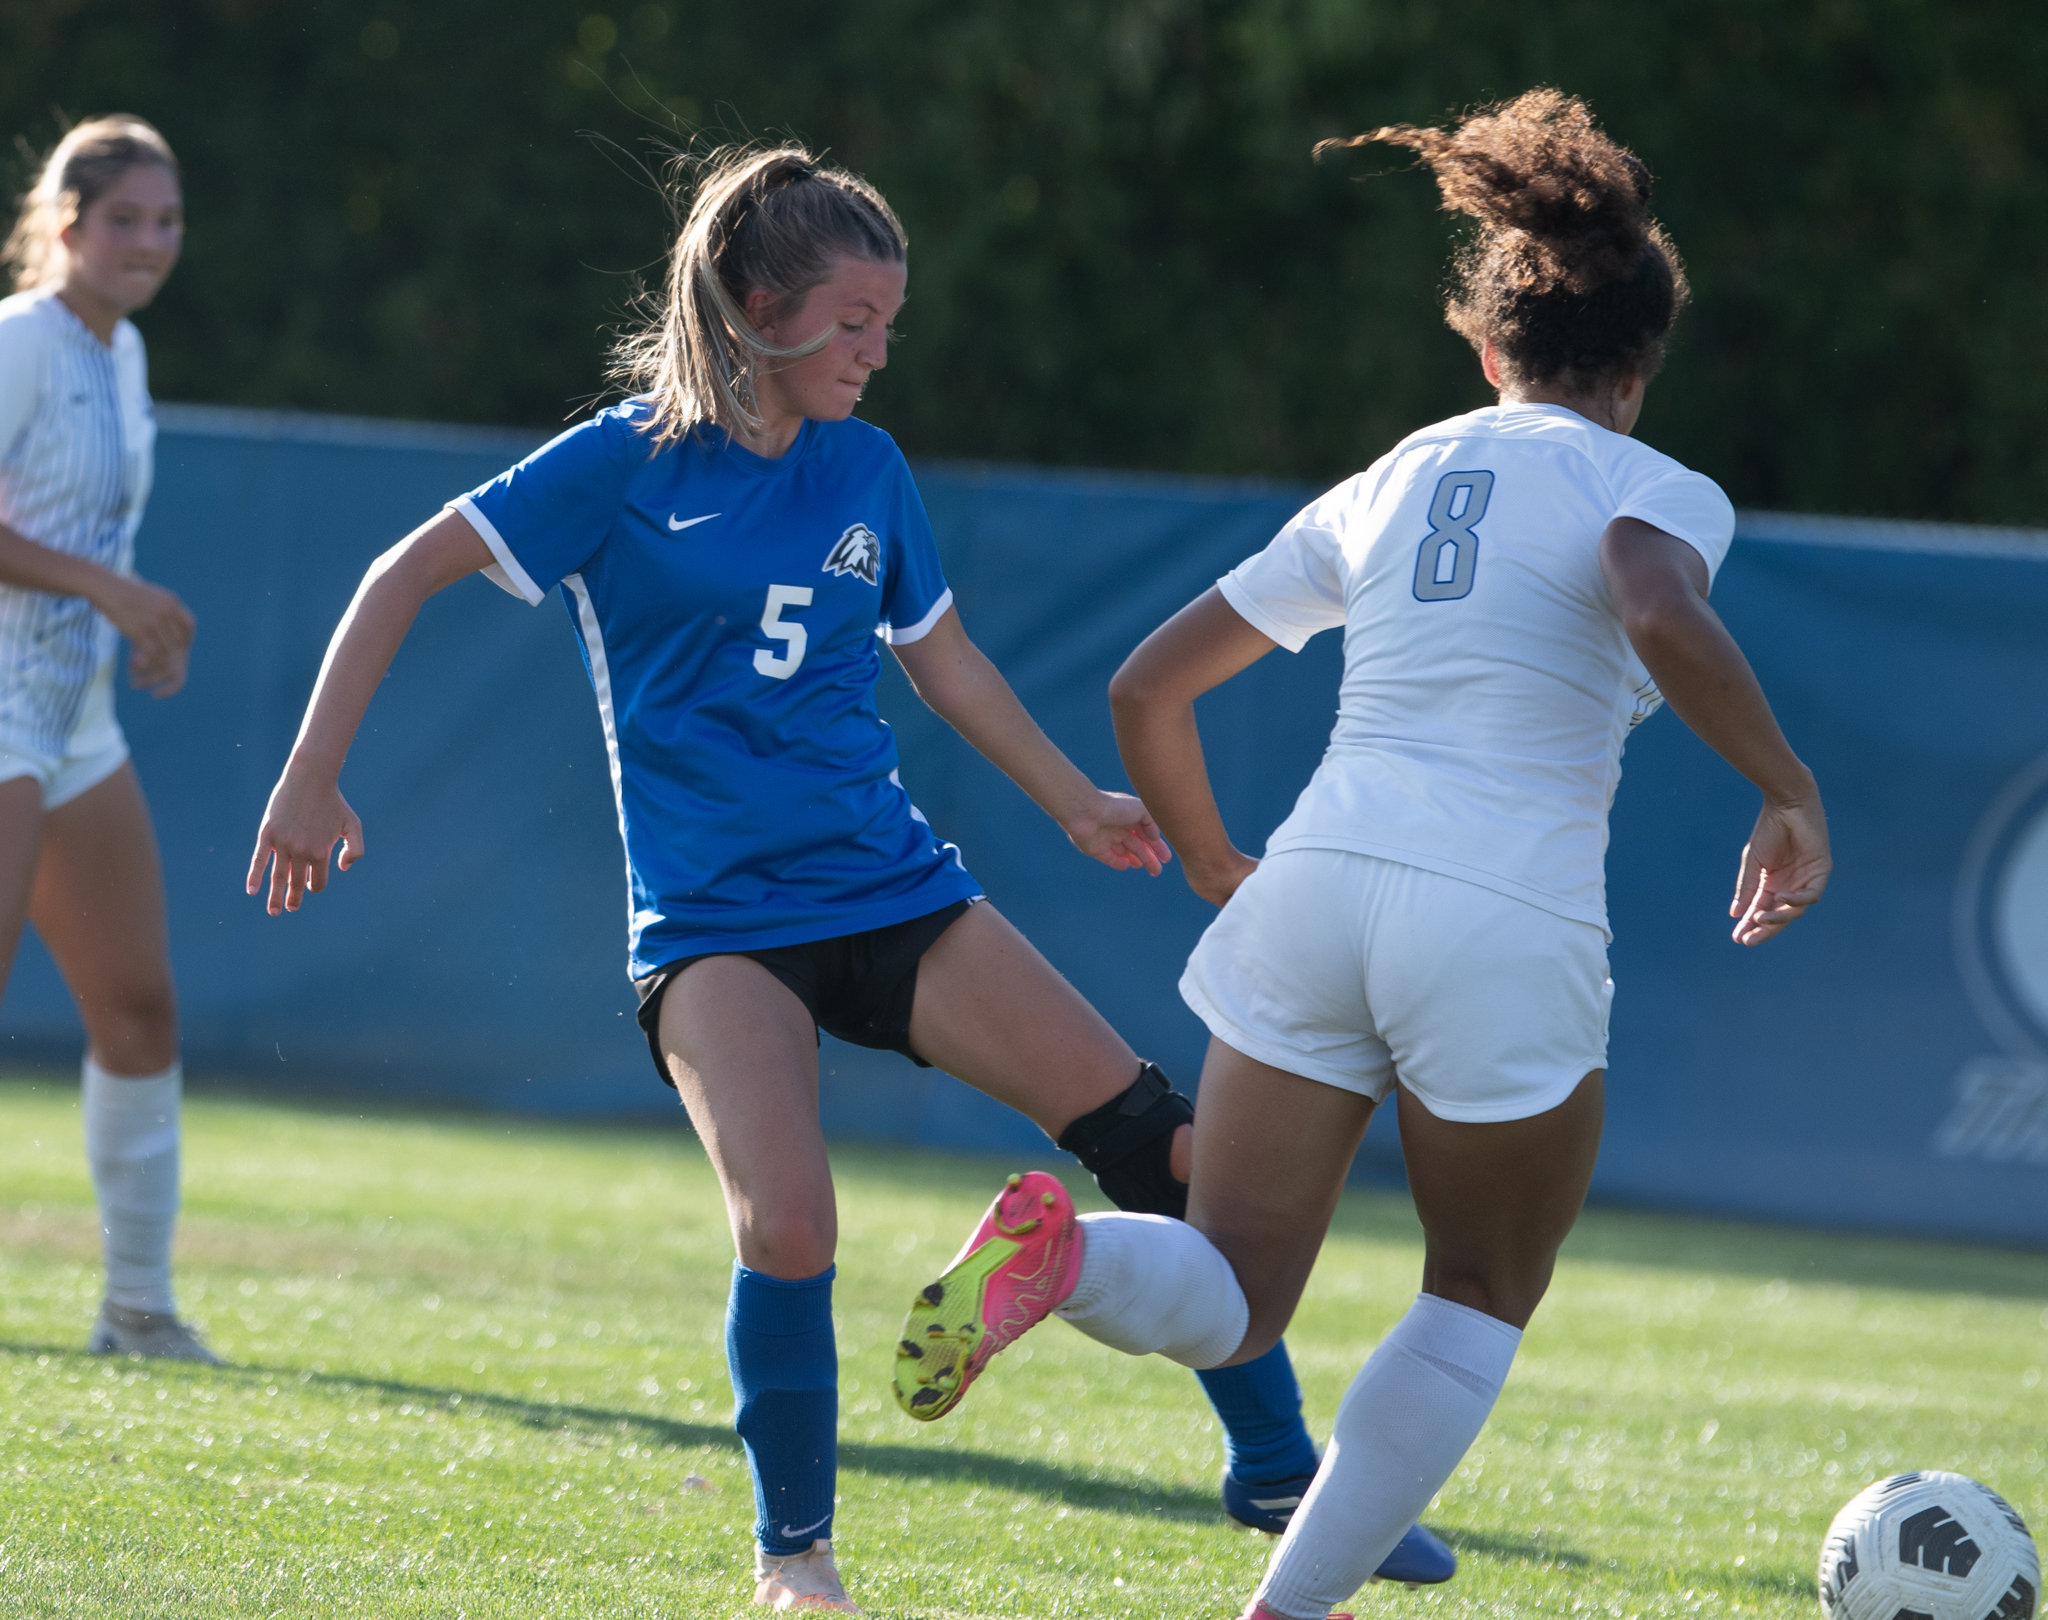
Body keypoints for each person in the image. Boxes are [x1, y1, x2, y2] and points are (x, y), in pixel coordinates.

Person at [243, 143, 1441, 1614]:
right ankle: (794, 1561)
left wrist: (1074, 800)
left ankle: (1272, 1469)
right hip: (714, 930)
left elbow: (942, 662)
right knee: (790, 1225)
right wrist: (312, 774)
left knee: (1168, 1151)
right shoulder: (623, 464)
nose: (878, 352)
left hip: (894, 895)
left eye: (889, 323)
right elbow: (397, 575)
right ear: (758, 307)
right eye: (855, 321)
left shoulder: (866, 467)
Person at [894, 90, 1831, 1620]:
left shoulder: (1391, 474)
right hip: (1501, 911)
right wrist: (1788, 790)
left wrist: (1208, 858)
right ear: (1643, 366)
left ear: (1486, 350)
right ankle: (1289, 1607)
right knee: (1475, 1294)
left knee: (1234, 1292)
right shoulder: (1655, 487)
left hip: (1316, 885)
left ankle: (1062, 1267)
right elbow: (1655, 605)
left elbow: (1146, 687)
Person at [0, 117, 211, 1363]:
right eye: (124, 218)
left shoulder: (119, 351)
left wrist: (140, 621)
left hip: (74, 719)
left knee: (138, 1008)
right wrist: (110, 590)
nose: (148, 242)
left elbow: (92, 547)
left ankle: (136, 1308)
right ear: (66, 222)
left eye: (167, 221)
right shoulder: (22, 339)